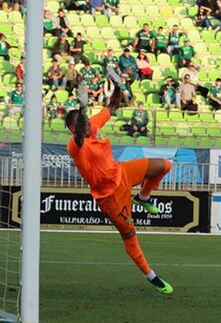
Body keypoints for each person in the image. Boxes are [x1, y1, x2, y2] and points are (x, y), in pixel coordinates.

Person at [65, 88, 173, 294]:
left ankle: (143, 196)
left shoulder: (92, 126)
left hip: (122, 172)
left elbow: (112, 105)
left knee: (164, 165)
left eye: (87, 120)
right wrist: (82, 106)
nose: (89, 124)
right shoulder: (75, 145)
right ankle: (151, 276)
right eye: (83, 123)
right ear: (73, 128)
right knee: (129, 234)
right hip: (110, 196)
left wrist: (117, 86)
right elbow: (79, 139)